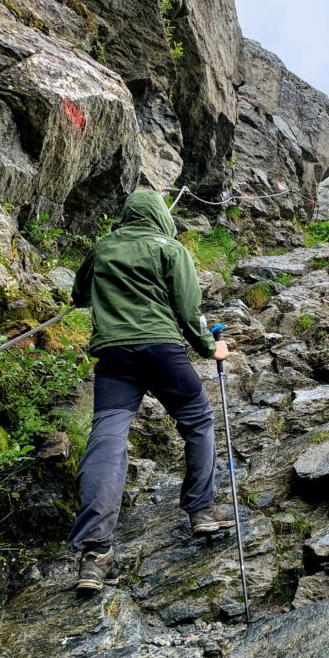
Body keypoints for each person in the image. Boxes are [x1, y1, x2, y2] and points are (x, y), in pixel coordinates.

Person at [66, 187, 231, 594]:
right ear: (161, 215)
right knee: (197, 420)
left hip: (114, 358)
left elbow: (78, 295)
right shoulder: (170, 249)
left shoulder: (103, 248)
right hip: (162, 350)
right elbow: (189, 310)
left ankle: (94, 554)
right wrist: (212, 348)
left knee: (107, 440)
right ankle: (201, 510)